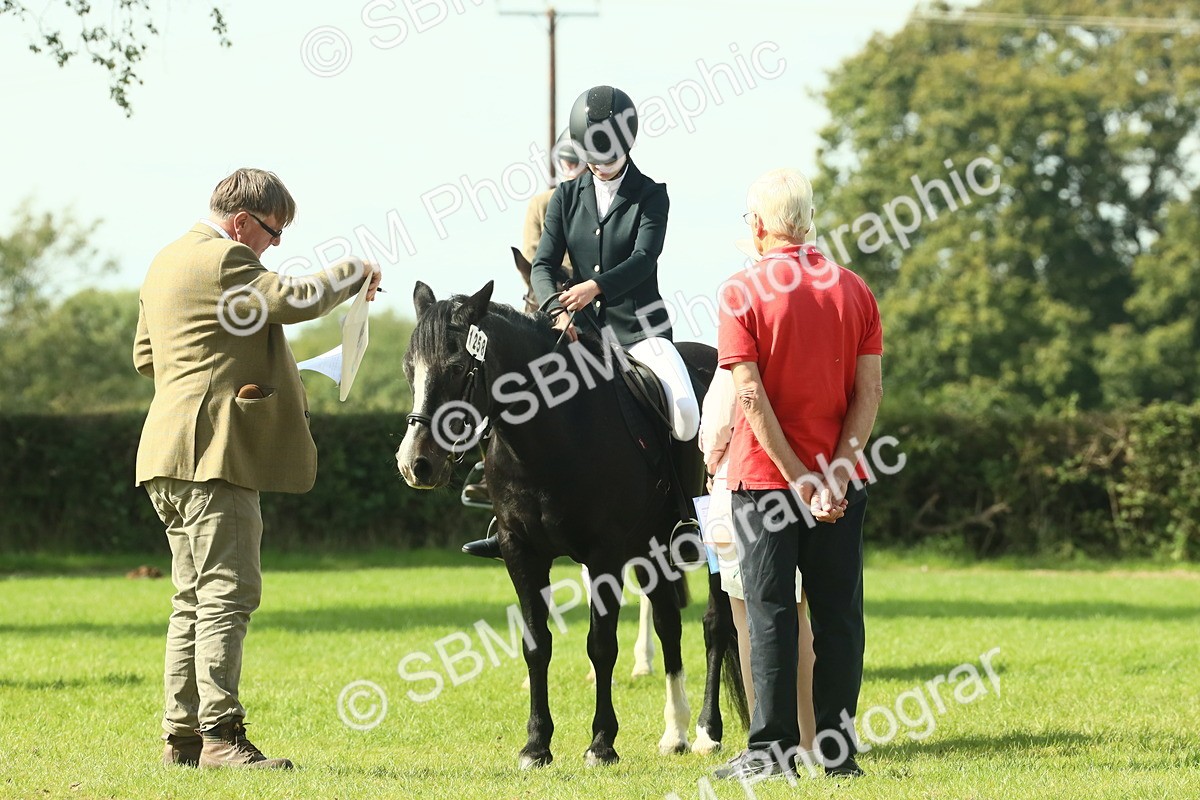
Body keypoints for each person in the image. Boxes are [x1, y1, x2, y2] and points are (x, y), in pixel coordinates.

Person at [134, 168, 381, 769]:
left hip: (164, 453)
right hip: (216, 453)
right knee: (227, 594)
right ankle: (221, 736)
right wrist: (355, 270)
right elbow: (293, 298)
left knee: (190, 599)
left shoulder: (165, 260)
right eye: (273, 232)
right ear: (243, 221)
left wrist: (213, 369)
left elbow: (146, 358)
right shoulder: (224, 260)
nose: (275, 246)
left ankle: (183, 739)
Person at [462, 86, 700, 560]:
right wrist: (556, 307)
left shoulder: (651, 196)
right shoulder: (565, 197)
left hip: (639, 330)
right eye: (591, 152)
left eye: (607, 152)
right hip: (573, 331)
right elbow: (544, 263)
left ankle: (683, 519)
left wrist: (597, 288)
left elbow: (644, 258)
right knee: (517, 395)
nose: (599, 161)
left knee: (686, 412)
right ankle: (505, 512)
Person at [712, 168, 883, 781]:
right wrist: (832, 475)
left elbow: (751, 398)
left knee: (770, 616)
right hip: (842, 483)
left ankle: (770, 751)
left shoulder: (741, 292)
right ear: (807, 220)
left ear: (758, 228)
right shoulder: (855, 290)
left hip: (764, 482)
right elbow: (870, 392)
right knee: (838, 616)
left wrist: (797, 481)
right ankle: (837, 752)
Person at [459, 131, 587, 515]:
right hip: (548, 300)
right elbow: (534, 259)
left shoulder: (601, 205)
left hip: (594, 301)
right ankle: (490, 473)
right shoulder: (542, 204)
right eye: (565, 161)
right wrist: (559, 287)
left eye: (575, 161)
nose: (570, 168)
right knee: (501, 376)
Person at [700, 342, 816, 759]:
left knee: (749, 620)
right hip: (807, 485)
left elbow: (715, 424)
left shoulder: (742, 347)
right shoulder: (808, 352)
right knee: (798, 616)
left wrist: (711, 461)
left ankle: (764, 740)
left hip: (743, 485)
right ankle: (810, 737)